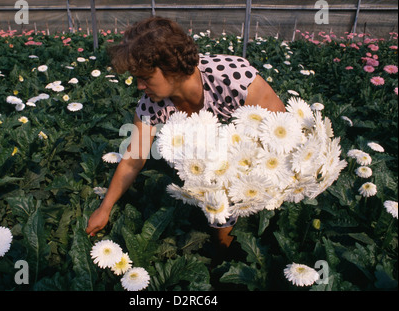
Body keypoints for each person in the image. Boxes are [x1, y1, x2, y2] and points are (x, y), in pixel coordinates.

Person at [86, 16, 285, 255]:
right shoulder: (151, 105)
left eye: (145, 78)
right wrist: (105, 208)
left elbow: (281, 126)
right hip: (209, 176)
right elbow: (133, 160)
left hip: (259, 164)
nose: (139, 86)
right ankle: (223, 257)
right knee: (218, 210)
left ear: (172, 67)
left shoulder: (232, 79)